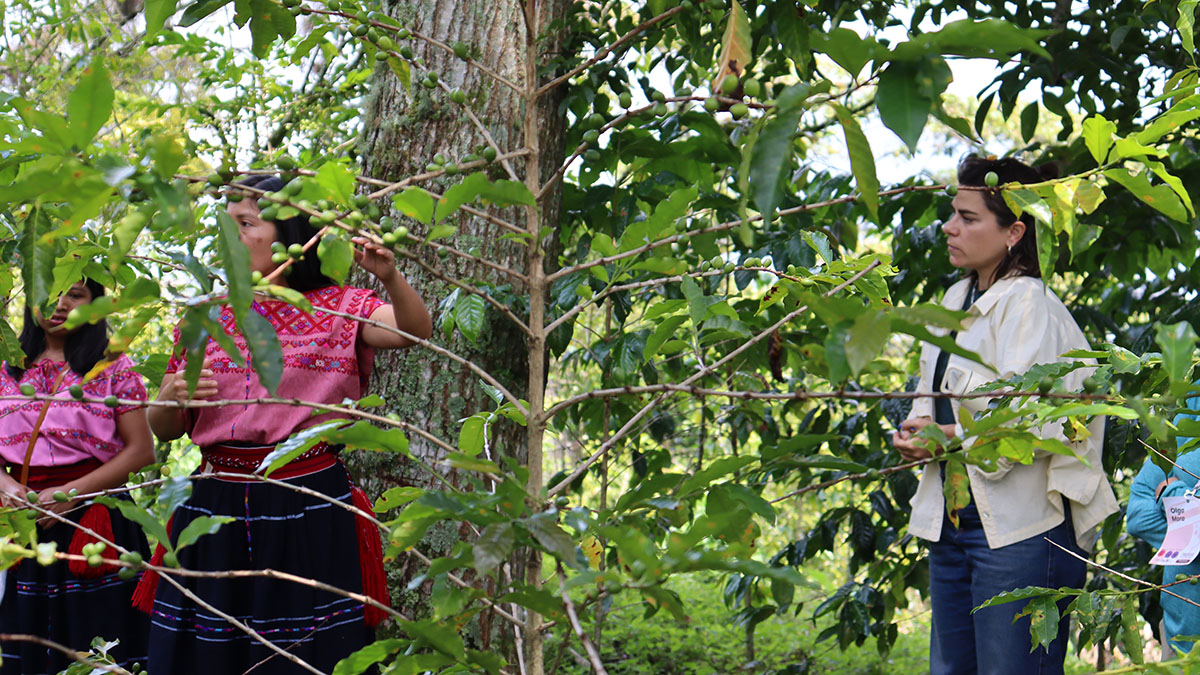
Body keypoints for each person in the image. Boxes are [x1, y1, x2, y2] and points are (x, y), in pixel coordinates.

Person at [140, 174, 433, 674]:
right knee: (212, 653)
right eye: (225, 224)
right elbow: (165, 428)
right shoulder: (205, 317)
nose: (229, 235)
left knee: (305, 655)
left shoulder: (342, 307)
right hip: (213, 501)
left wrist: (390, 276)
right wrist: (166, 399)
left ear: (296, 238)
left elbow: (412, 332)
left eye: (246, 223)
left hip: (306, 500)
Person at [891, 155, 1119, 674]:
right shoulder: (956, 296)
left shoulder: (1029, 303)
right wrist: (920, 430)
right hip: (954, 519)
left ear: (1014, 231)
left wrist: (947, 438)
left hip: (1022, 529)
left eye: (969, 218)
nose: (950, 228)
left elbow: (1033, 424)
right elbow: (933, 396)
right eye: (953, 214)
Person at [0, 279, 154, 674]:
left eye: (76, 294)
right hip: (22, 522)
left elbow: (141, 450)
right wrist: (6, 485)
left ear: (96, 306)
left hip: (95, 521)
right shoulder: (5, 367)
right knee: (25, 646)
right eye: (50, 291)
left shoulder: (113, 367)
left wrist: (72, 493)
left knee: (99, 647)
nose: (61, 303)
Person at [1127, 395, 1200, 656]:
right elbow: (1138, 513)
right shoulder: (1195, 401)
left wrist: (1173, 493)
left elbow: (1159, 496)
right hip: (1178, 639)